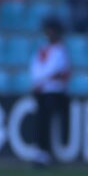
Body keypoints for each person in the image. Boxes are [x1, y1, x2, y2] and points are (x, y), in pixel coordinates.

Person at [30, 17, 71, 167]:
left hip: (53, 92)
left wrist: (40, 82)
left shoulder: (60, 50)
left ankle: (47, 152)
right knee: (41, 122)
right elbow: (36, 69)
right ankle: (41, 152)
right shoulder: (42, 50)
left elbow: (57, 71)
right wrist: (38, 83)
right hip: (42, 91)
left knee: (48, 122)